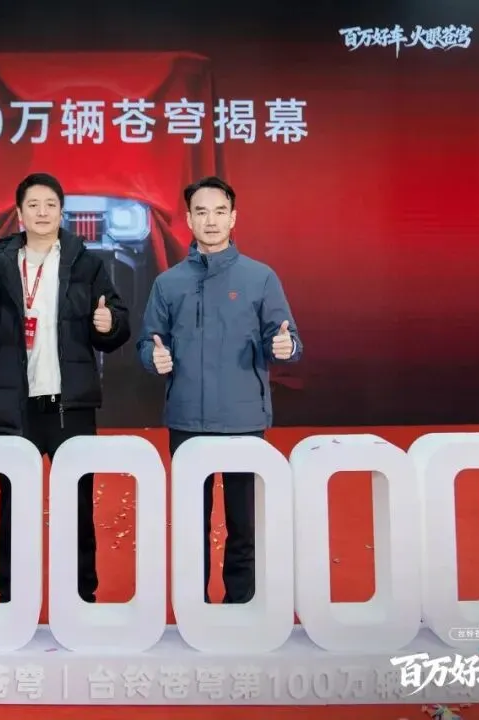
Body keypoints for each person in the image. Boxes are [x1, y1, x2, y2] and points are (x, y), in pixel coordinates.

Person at [0, 172, 131, 604]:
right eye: (33, 205)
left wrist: (109, 324)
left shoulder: (85, 263)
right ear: (19, 213)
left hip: (71, 407)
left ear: (61, 212)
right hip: (16, 408)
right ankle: (10, 598)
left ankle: (82, 597)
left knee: (77, 505)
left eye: (50, 204)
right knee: (14, 506)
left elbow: (116, 322)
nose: (42, 212)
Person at [137, 176, 302, 604]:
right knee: (192, 522)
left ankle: (241, 605)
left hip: (243, 418)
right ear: (189, 220)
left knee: (243, 523)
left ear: (233, 218)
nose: (211, 220)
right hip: (187, 419)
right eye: (201, 212)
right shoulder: (168, 283)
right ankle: (195, 607)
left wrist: (284, 346)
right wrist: (153, 357)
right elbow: (148, 341)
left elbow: (286, 337)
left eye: (219, 211)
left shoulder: (260, 278)